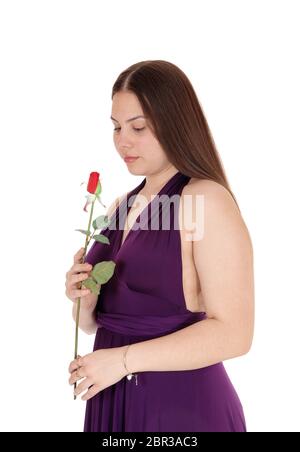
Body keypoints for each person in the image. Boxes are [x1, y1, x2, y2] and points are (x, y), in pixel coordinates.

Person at [65, 60, 254, 432]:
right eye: (117, 127)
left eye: (138, 127)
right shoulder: (121, 206)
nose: (123, 140)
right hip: (112, 398)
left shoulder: (204, 200)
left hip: (180, 407)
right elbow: (93, 325)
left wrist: (121, 361)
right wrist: (84, 302)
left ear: (175, 123)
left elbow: (236, 333)